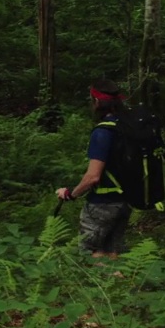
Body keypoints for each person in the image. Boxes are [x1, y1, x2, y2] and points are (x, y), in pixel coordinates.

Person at [55, 79, 134, 259]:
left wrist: (70, 194)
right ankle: (118, 284)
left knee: (91, 253)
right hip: (125, 201)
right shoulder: (128, 128)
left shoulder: (102, 133)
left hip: (101, 203)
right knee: (112, 251)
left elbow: (93, 177)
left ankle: (96, 285)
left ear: (97, 102)